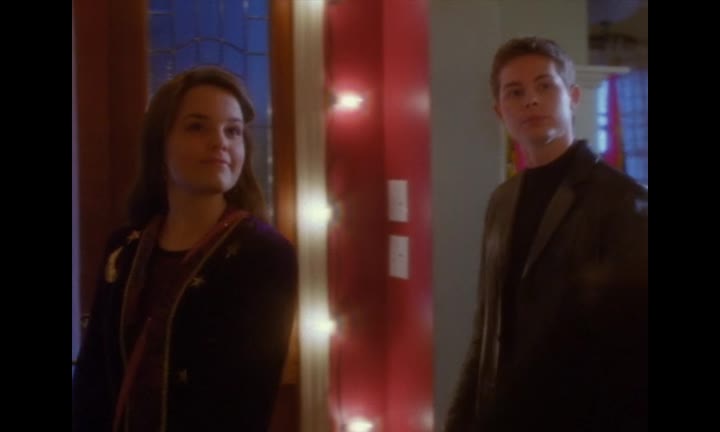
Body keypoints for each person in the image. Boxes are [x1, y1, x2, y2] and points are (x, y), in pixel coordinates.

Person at [72, 66, 298, 431]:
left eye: (233, 131)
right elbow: (93, 378)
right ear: (160, 145)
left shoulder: (264, 255)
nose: (220, 142)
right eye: (197, 127)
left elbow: (248, 400)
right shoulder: (124, 249)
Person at [444, 36, 648, 431]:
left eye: (545, 86)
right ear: (499, 110)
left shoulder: (623, 200)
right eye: (515, 92)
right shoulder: (501, 202)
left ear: (573, 96)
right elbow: (486, 329)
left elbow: (635, 348)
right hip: (503, 413)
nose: (531, 100)